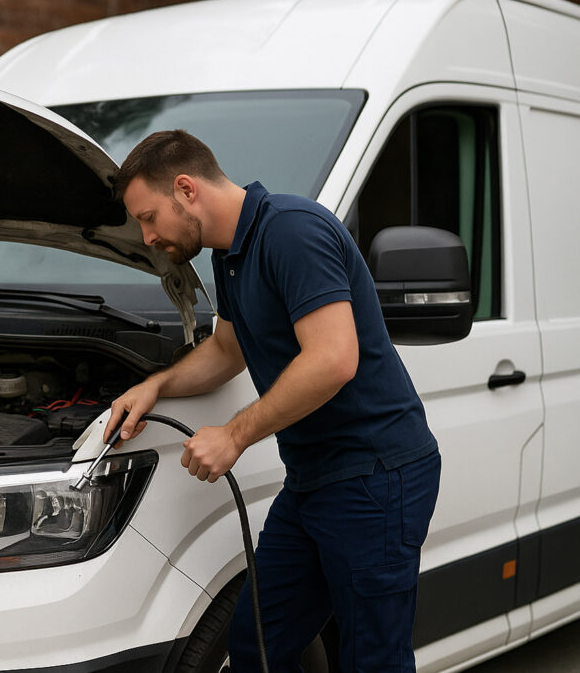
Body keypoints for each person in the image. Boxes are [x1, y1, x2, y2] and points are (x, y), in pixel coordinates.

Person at [103, 130, 441, 671]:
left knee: (373, 659)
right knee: (259, 642)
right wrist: (156, 385)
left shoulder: (291, 231)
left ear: (186, 189)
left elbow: (333, 358)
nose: (146, 237)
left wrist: (234, 435)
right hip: (314, 480)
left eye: (148, 217)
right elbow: (227, 349)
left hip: (376, 478)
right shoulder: (228, 255)